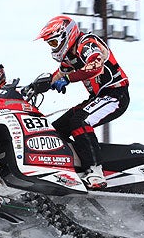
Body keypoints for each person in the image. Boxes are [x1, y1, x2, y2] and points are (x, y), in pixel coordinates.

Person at [33, 15, 130, 189]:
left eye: (54, 43)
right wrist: (32, 88)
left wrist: (68, 78)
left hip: (115, 95)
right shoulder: (69, 58)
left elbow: (95, 65)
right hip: (98, 98)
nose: (52, 48)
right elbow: (56, 76)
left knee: (79, 121)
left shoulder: (87, 43)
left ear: (66, 36)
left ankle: (95, 171)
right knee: (57, 128)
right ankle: (68, 170)